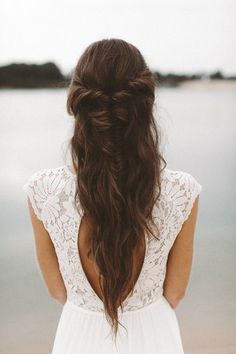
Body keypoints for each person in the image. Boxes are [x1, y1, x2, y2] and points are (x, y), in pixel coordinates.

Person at [23, 38, 202, 354]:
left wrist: (90, 312)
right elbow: (175, 291)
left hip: (78, 334)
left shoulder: (42, 191)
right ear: (145, 104)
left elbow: (56, 290)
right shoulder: (182, 192)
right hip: (155, 335)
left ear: (77, 104)